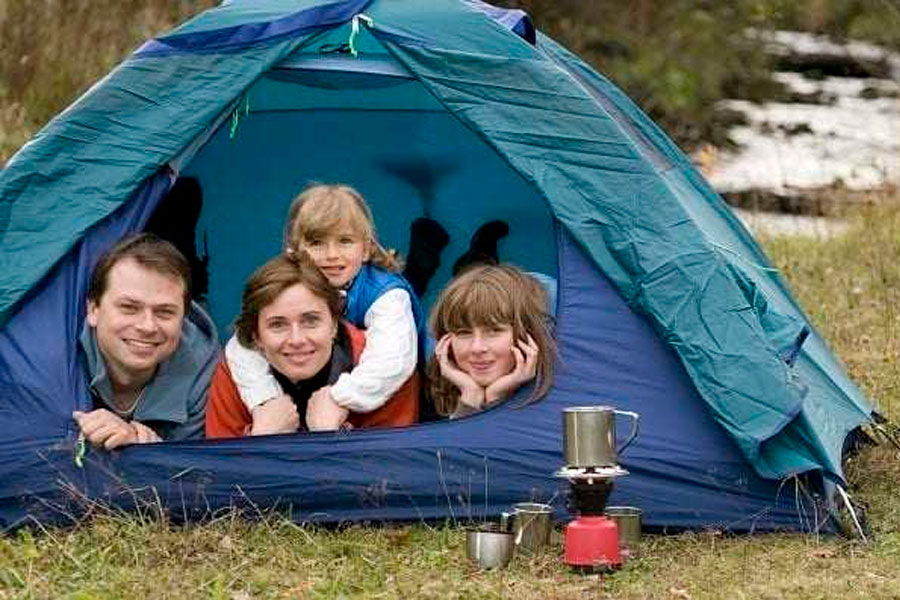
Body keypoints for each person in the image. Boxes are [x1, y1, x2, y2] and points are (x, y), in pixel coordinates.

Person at [223, 183, 424, 429]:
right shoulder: (285, 286)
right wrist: (265, 400)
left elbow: (392, 361)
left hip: (411, 376)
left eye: (345, 241)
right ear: (294, 251)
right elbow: (242, 343)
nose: (331, 254)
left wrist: (340, 396)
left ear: (366, 249)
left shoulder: (386, 295)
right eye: (317, 243)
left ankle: (426, 246)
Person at [206, 253, 417, 437]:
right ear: (257, 336)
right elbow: (218, 476)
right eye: (277, 325)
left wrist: (333, 438)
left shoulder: (385, 371)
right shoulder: (234, 373)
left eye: (311, 321)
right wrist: (260, 438)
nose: (297, 339)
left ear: (334, 324)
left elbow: (392, 474)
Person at [73, 233, 219, 449]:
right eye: (129, 308)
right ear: (94, 309)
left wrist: (144, 447)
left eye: (165, 312)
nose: (147, 326)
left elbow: (194, 472)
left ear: (183, 318)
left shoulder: (206, 372)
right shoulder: (58, 353)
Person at [428, 264, 556, 418]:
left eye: (494, 331)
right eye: (464, 333)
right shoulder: (435, 397)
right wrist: (471, 397)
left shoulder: (557, 402)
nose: (477, 348)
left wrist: (496, 397)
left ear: (527, 335)